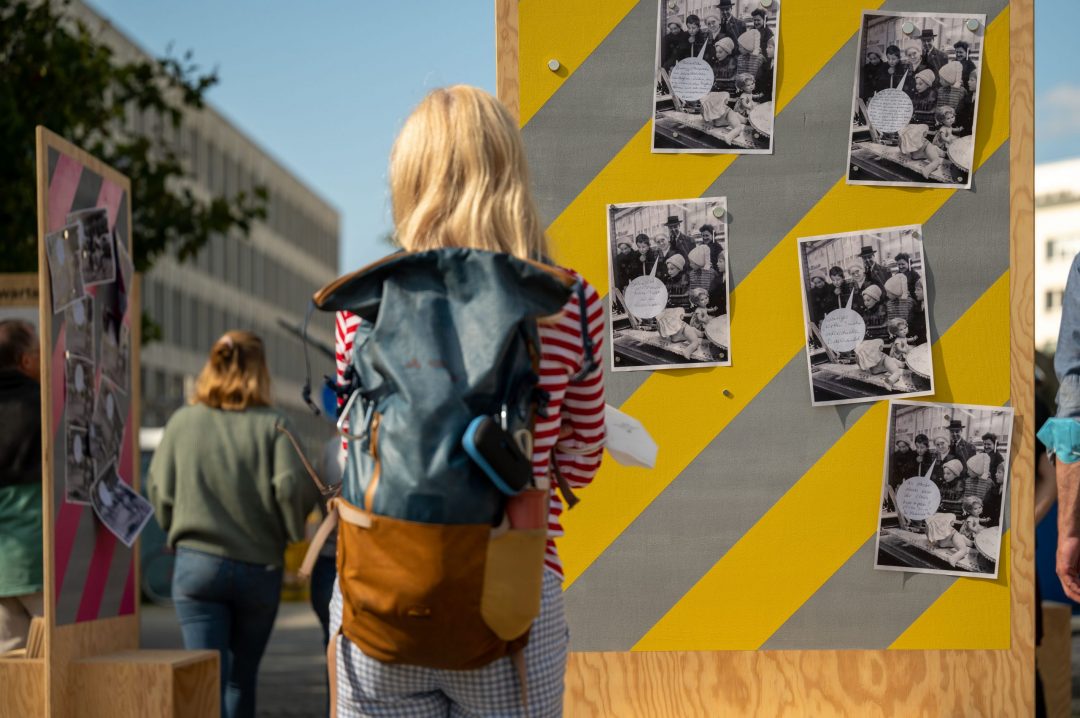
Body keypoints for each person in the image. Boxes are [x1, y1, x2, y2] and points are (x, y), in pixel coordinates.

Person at [330, 85, 606, 716]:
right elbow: (579, 465)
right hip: (509, 598)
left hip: (382, 592)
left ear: (409, 178)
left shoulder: (368, 299)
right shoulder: (569, 302)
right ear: (511, 174)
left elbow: (354, 448)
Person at [147, 331, 318, 718]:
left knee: (206, 678)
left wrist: (173, 526)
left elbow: (157, 486)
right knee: (241, 679)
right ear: (262, 369)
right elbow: (291, 488)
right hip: (259, 566)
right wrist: (291, 533)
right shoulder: (276, 424)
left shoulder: (182, 422)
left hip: (197, 565)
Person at [0, 320, 43, 654]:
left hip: (3, 569)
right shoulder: (46, 406)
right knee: (53, 677)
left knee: (11, 682)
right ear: (26, 361)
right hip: (39, 563)